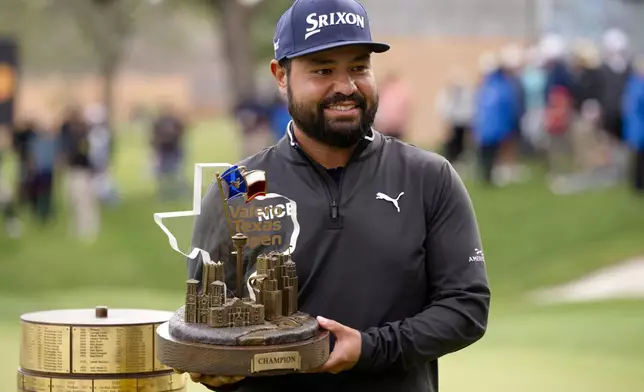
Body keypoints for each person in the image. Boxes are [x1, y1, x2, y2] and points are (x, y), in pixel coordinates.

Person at [182, 0, 490, 391]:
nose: (345, 86)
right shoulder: (239, 186)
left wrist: (369, 348)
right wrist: (213, 365)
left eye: (359, 67)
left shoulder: (428, 177)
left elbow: (466, 307)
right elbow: (208, 324)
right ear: (281, 75)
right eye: (323, 70)